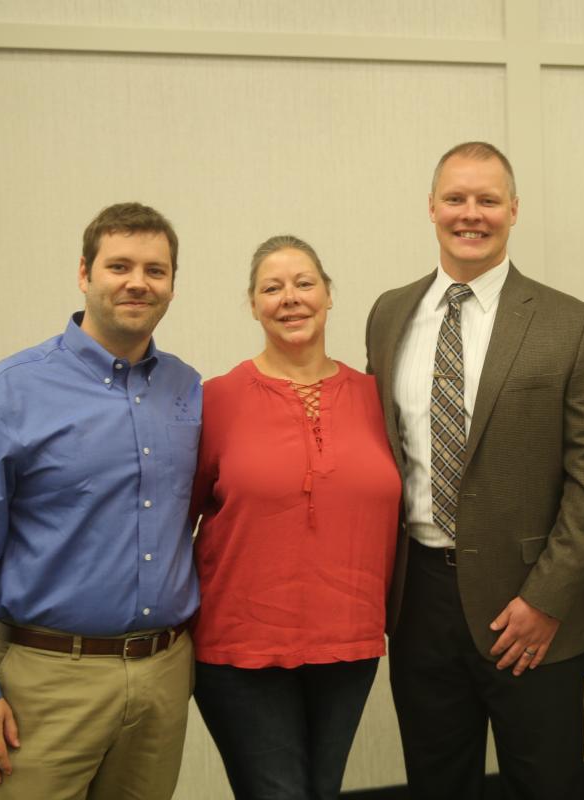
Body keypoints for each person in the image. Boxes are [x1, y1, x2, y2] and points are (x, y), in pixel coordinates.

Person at [0, 202, 201, 798]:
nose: (137, 282)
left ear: (173, 284)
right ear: (84, 273)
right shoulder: (6, 393)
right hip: (46, 682)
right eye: (119, 265)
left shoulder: (187, 390)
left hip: (164, 674)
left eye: (156, 269)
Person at [365, 141, 584, 800]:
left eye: (487, 200)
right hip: (419, 599)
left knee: (546, 785)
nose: (470, 214)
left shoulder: (570, 323)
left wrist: (545, 599)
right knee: (436, 782)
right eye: (456, 198)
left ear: (513, 210)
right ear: (431, 208)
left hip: (529, 609)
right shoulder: (391, 314)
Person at [189, 235, 401, 800]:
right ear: (253, 303)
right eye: (272, 287)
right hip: (241, 649)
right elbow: (172, 520)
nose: (290, 298)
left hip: (349, 643)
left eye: (304, 283)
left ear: (329, 295)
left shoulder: (378, 398)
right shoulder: (215, 401)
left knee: (322, 791)